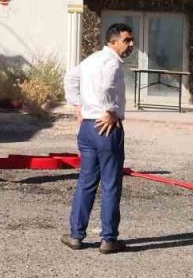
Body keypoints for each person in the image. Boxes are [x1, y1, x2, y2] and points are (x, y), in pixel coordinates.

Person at [61, 23, 131, 255]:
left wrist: (78, 105)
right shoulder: (112, 62)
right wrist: (110, 109)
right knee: (110, 184)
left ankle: (76, 234)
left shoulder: (91, 59)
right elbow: (106, 87)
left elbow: (71, 78)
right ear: (113, 41)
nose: (131, 45)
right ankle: (108, 239)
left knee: (86, 182)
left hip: (88, 128)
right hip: (106, 127)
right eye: (127, 40)